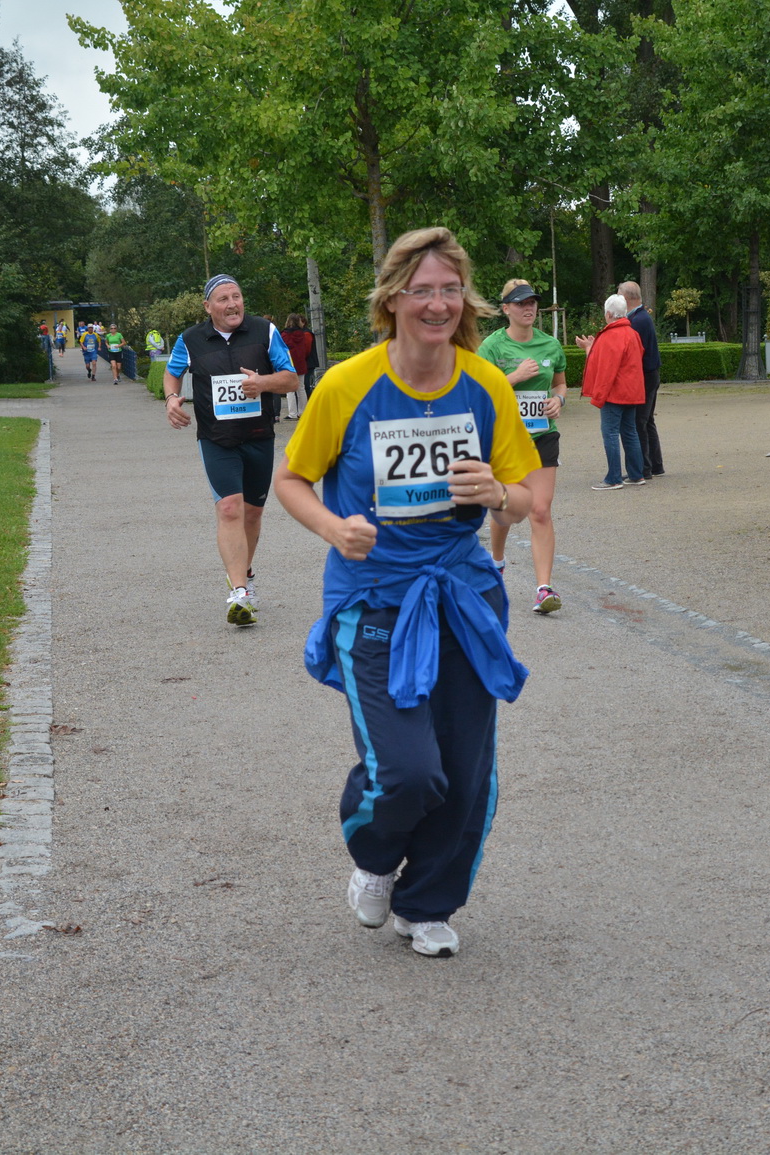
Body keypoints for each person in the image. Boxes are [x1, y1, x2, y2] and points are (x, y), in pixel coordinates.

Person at [272, 226, 539, 959]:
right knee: (409, 770)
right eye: (422, 290)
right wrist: (334, 526)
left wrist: (498, 495)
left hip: (463, 594)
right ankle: (373, 856)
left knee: (468, 768)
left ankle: (427, 903)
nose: (438, 303)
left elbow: (529, 496)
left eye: (450, 289)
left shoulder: (483, 382)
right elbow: (290, 480)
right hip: (376, 597)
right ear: (392, 300)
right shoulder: (348, 383)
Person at [162, 274, 299, 626]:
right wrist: (171, 398)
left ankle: (246, 574)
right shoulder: (190, 339)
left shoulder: (264, 331)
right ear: (208, 307)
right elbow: (172, 373)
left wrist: (262, 383)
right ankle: (239, 592)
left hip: (258, 436)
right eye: (223, 299)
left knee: (252, 514)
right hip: (216, 439)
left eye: (237, 296)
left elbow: (290, 379)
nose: (232, 304)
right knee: (228, 508)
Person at [477, 280, 567, 611]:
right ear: (506, 310)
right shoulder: (492, 347)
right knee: (505, 509)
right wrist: (513, 377)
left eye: (532, 303)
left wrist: (558, 400)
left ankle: (544, 588)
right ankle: (496, 562)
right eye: (520, 303)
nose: (528, 308)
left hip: (543, 435)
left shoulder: (550, 345)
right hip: (504, 440)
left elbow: (560, 383)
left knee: (540, 510)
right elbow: (477, 390)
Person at [579, 294, 647, 491]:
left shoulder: (610, 336)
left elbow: (605, 370)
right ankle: (636, 474)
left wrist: (599, 397)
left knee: (610, 433)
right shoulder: (632, 333)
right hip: (631, 392)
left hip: (614, 393)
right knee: (630, 432)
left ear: (608, 314)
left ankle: (614, 478)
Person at [621, 281, 663, 479]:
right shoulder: (642, 317)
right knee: (647, 421)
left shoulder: (636, 321)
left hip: (644, 376)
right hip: (651, 373)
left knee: (639, 422)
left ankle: (644, 469)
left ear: (626, 298)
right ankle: (655, 465)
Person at [278, 313, 315, 421]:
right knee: (301, 388)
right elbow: (306, 350)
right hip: (301, 363)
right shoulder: (303, 334)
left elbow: (281, 350)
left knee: (290, 389)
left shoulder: (284, 335)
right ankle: (302, 412)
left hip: (289, 364)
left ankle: (292, 413)